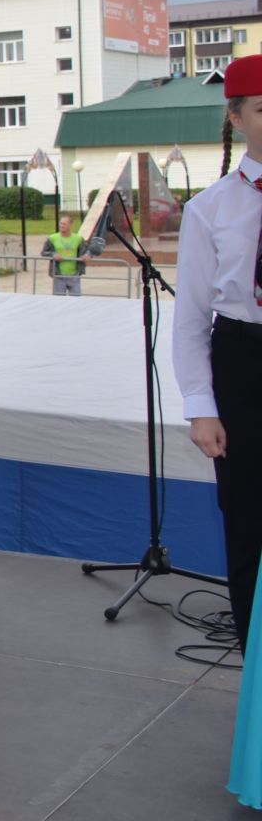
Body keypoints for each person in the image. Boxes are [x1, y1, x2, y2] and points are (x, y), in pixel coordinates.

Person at [175, 53, 262, 654]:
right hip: (245, 364)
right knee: (249, 519)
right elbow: (190, 318)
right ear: (235, 116)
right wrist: (201, 404)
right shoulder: (209, 209)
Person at [41, 213, 103, 296]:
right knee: (59, 300)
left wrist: (88, 255)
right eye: (61, 223)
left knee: (76, 299)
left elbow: (88, 250)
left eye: (64, 224)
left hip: (74, 275)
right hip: (59, 275)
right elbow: (44, 252)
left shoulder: (78, 239)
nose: (62, 226)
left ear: (70, 224)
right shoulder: (52, 238)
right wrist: (53, 254)